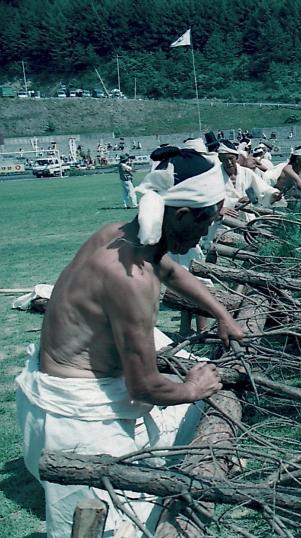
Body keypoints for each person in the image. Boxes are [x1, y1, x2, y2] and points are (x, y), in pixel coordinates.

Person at [15, 145, 244, 537]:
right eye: (206, 224)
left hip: (64, 396)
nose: (207, 233)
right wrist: (194, 387)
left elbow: (170, 271)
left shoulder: (117, 235)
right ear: (184, 215)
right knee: (119, 526)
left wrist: (221, 313)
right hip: (77, 424)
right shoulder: (131, 279)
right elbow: (145, 385)